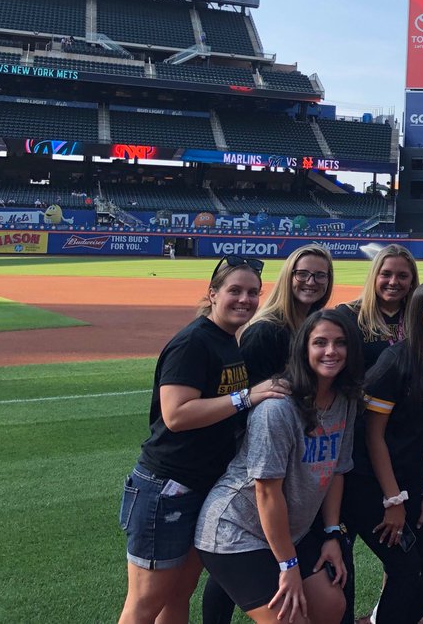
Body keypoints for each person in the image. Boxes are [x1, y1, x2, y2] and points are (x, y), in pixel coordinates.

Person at [117, 256, 287, 624]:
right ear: (212, 294)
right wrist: (247, 397)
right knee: (145, 605)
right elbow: (176, 415)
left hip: (198, 486)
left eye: (253, 293)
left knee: (179, 594)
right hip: (168, 486)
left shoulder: (227, 340)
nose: (245, 299)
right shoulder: (193, 342)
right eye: (235, 291)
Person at [194, 309, 363, 624]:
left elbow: (337, 470)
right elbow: (267, 492)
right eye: (320, 342)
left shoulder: (345, 399)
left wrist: (331, 533)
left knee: (330, 607)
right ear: (303, 349)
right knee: (290, 619)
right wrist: (288, 565)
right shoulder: (277, 408)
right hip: (236, 530)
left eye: (340, 343)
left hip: (291, 531)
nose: (331, 351)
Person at [342, 281, 423, 624]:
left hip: (409, 480)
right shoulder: (396, 360)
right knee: (406, 567)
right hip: (368, 482)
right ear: (416, 314)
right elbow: (373, 436)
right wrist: (392, 500)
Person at [239, 244, 335, 384]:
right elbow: (249, 392)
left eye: (320, 275)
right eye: (302, 274)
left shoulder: (317, 323)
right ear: (288, 277)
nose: (311, 282)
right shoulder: (264, 332)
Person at [336, 244, 420, 370]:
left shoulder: (419, 316)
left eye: (402, 276)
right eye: (386, 274)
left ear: (412, 281)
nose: (393, 282)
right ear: (374, 277)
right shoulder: (347, 315)